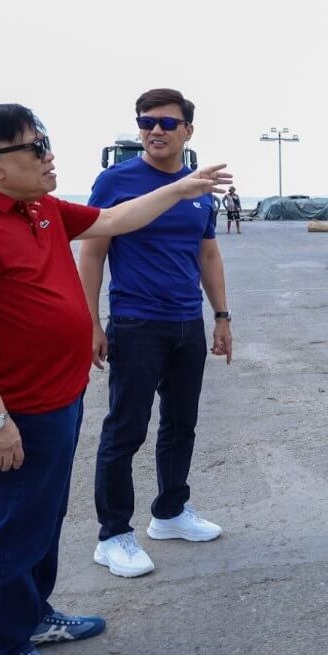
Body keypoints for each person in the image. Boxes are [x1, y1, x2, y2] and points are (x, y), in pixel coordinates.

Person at [0, 103, 230, 655]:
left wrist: (182, 187)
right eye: (35, 147)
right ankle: (3, 653)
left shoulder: (36, 207)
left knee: (42, 520)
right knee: (13, 529)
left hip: (57, 398)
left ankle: (34, 616)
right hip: (16, 408)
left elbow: (113, 221)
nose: (49, 155)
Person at [78, 88, 234, 580]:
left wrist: (222, 316)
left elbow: (207, 254)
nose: (155, 131)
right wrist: (92, 323)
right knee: (125, 430)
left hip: (187, 323)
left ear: (188, 130)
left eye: (168, 123)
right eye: (147, 122)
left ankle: (169, 513)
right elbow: (93, 253)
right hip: (136, 323)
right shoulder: (115, 181)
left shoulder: (199, 188)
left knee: (181, 424)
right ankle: (114, 535)